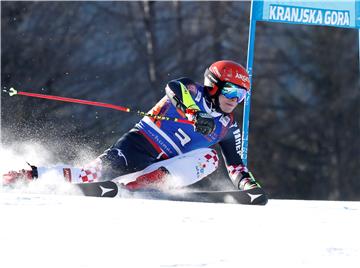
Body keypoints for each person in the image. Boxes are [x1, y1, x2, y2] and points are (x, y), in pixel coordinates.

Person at [3, 60, 262, 191]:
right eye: (230, 91)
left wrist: (248, 186)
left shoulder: (228, 128)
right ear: (213, 85)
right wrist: (194, 114)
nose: (234, 100)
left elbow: (236, 166)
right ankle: (28, 176)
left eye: (241, 96)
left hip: (166, 167)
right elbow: (174, 88)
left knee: (210, 158)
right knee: (90, 176)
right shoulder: (191, 91)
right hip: (138, 145)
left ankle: (149, 182)